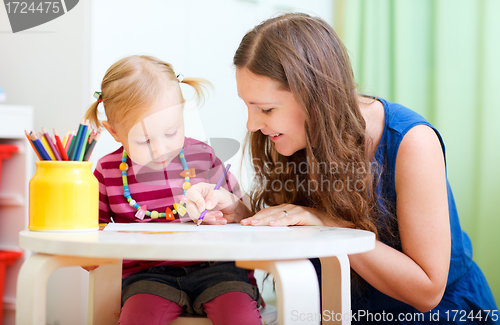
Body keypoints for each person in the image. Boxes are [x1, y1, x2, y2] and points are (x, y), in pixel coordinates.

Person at [185, 13, 499, 324]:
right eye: (248, 106)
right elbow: (294, 220)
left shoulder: (412, 142)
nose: (252, 124)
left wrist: (327, 226)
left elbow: (427, 291)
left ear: (315, 98)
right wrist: (239, 213)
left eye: (266, 109)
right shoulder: (294, 142)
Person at [85, 55, 262, 325]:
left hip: (218, 269)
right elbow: (91, 236)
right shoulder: (107, 172)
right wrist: (91, 250)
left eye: (171, 133)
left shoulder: (203, 157)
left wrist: (224, 209)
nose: (160, 149)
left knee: (240, 318)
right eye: (144, 140)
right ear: (114, 132)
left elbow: (246, 215)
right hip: (147, 278)